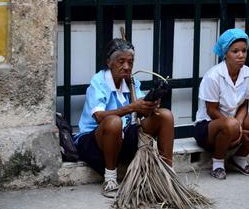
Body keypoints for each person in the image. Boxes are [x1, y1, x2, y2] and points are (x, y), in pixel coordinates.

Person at [74, 38, 174, 197]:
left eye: (130, 62)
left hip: (122, 138)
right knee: (114, 122)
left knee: (165, 115)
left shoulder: (132, 83)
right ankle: (110, 179)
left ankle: (168, 174)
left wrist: (149, 106)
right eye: (121, 61)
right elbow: (99, 117)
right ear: (109, 62)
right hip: (94, 141)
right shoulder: (98, 82)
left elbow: (140, 112)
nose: (127, 67)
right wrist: (132, 107)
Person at [193, 28, 249, 180]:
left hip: (233, 122)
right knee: (230, 124)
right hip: (208, 127)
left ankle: (239, 158)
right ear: (225, 53)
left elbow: (244, 104)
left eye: (244, 50)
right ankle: (217, 164)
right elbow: (211, 110)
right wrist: (234, 126)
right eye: (235, 51)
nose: (241, 55)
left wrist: (239, 125)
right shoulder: (213, 76)